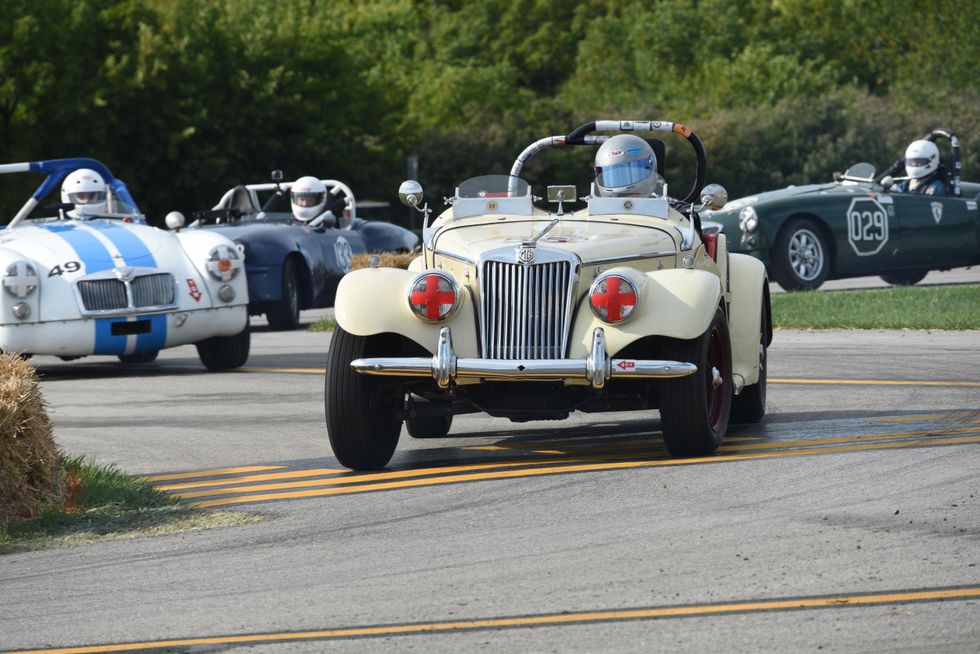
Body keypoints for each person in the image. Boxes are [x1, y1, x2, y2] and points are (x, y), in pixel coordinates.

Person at [594, 134, 661, 197]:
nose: (621, 183)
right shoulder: (592, 209)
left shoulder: (663, 207)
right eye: (615, 176)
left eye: (633, 174)